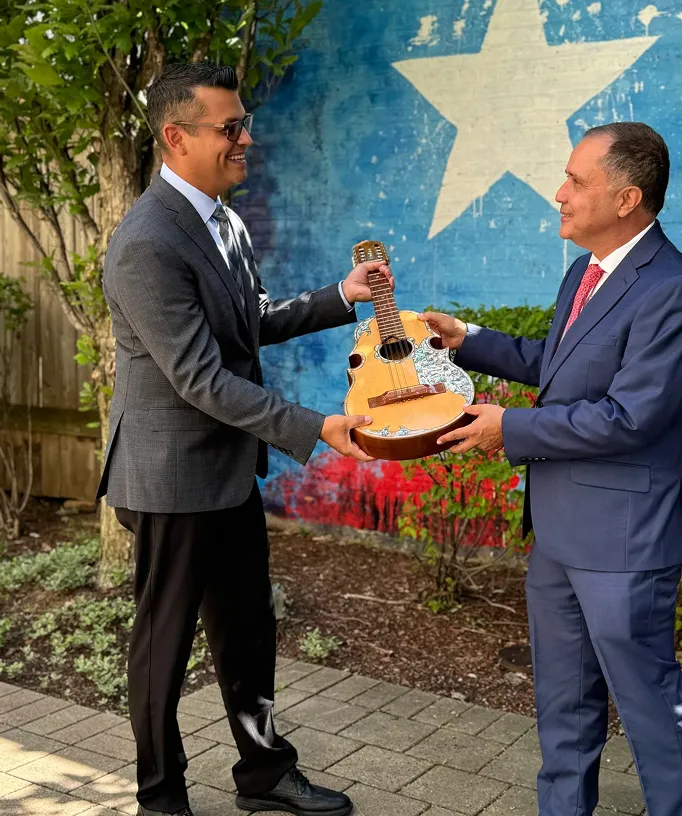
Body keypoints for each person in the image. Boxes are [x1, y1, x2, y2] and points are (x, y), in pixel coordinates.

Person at [96, 62, 390, 816]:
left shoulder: (220, 217)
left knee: (249, 629)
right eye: (231, 127)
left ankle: (264, 777)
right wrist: (315, 427)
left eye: (242, 124)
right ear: (176, 136)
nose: (246, 139)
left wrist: (340, 297)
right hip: (169, 477)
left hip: (226, 468)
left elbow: (248, 320)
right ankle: (160, 798)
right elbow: (198, 376)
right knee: (163, 647)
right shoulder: (145, 243)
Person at [420, 122, 682, 815]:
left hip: (624, 540)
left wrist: (507, 429)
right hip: (556, 533)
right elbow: (559, 369)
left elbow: (628, 416)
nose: (559, 193)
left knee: (650, 709)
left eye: (576, 182)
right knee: (562, 704)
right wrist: (470, 342)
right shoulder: (587, 269)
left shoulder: (673, 289)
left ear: (626, 199)